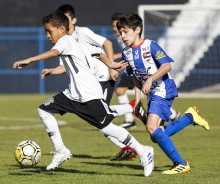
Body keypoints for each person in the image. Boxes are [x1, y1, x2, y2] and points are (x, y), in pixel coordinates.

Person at [13, 11, 154, 177]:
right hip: (72, 94)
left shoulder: (64, 40)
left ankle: (143, 150)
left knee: (107, 128)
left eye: (49, 31)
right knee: (43, 110)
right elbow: (97, 52)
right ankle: (61, 150)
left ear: (61, 29)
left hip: (89, 94)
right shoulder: (75, 42)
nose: (47, 35)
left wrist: (29, 60)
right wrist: (110, 63)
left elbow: (53, 53)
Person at [117, 13, 210, 174]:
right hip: (151, 93)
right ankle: (190, 117)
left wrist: (150, 79)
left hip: (164, 88)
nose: (123, 36)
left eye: (126, 32)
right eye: (121, 33)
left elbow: (167, 66)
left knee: (152, 128)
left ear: (137, 29)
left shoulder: (151, 45)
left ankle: (181, 164)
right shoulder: (127, 53)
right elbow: (136, 79)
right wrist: (138, 100)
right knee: (156, 135)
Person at [111, 13, 136, 129]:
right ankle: (129, 120)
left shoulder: (130, 35)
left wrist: (114, 57)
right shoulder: (121, 37)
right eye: (113, 26)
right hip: (130, 69)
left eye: (116, 26)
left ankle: (174, 116)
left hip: (137, 68)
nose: (114, 29)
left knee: (152, 96)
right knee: (120, 90)